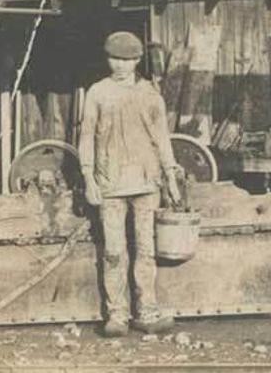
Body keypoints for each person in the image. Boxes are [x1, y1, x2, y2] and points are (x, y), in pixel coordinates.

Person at [79, 31, 181, 337]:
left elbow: (163, 138)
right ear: (107, 58)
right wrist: (88, 178)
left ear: (137, 60)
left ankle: (146, 311)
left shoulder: (151, 94)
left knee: (146, 250)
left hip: (147, 183)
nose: (121, 65)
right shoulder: (97, 93)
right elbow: (86, 137)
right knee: (113, 251)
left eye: (127, 59)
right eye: (115, 58)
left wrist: (171, 177)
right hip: (110, 184)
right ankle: (117, 315)